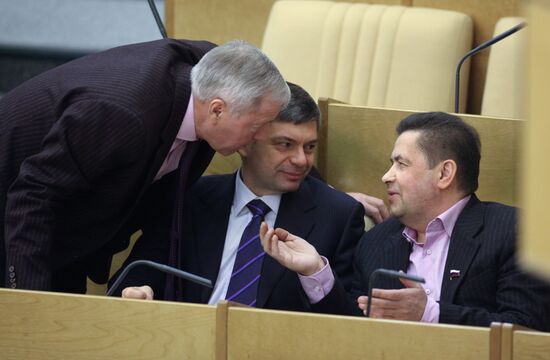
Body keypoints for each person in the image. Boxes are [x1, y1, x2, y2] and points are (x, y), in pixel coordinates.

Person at [0, 38, 290, 293]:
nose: (262, 137)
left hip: (68, 228)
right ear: (217, 109)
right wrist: (30, 301)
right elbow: (33, 196)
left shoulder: (214, 77)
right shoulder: (126, 114)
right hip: (16, 214)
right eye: (258, 126)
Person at [261, 111, 550, 331]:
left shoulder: (515, 230)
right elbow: (353, 329)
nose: (387, 176)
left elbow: (527, 330)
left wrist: (431, 314)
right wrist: (316, 271)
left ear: (444, 173)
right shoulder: (376, 242)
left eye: (401, 164)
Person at [118, 83, 367, 311]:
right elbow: (138, 273)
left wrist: (315, 273)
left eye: (309, 147)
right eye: (285, 144)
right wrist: (138, 290)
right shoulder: (190, 198)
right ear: (245, 143)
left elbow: (347, 326)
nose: (302, 160)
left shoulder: (338, 215)